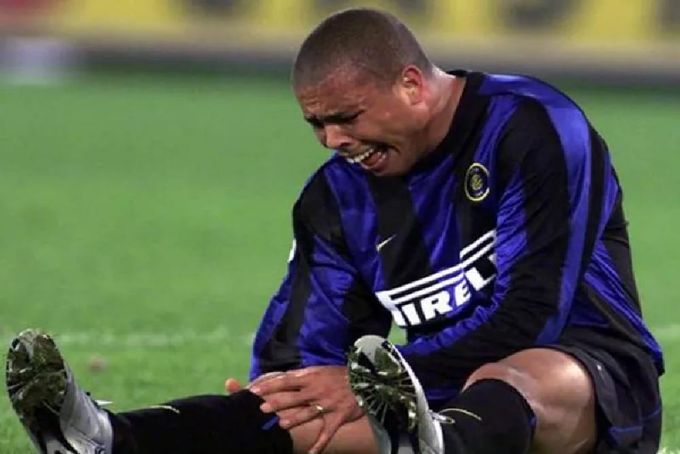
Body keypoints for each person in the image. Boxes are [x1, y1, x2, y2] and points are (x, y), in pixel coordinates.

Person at [6, 7, 663, 454]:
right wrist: (284, 391)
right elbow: (302, 353)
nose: (334, 140)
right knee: (302, 409)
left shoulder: (534, 128)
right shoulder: (336, 196)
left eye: (346, 117)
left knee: (517, 373)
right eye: (317, 126)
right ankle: (105, 438)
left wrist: (384, 375)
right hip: (423, 401)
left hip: (591, 388)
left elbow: (535, 312)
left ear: (411, 85)